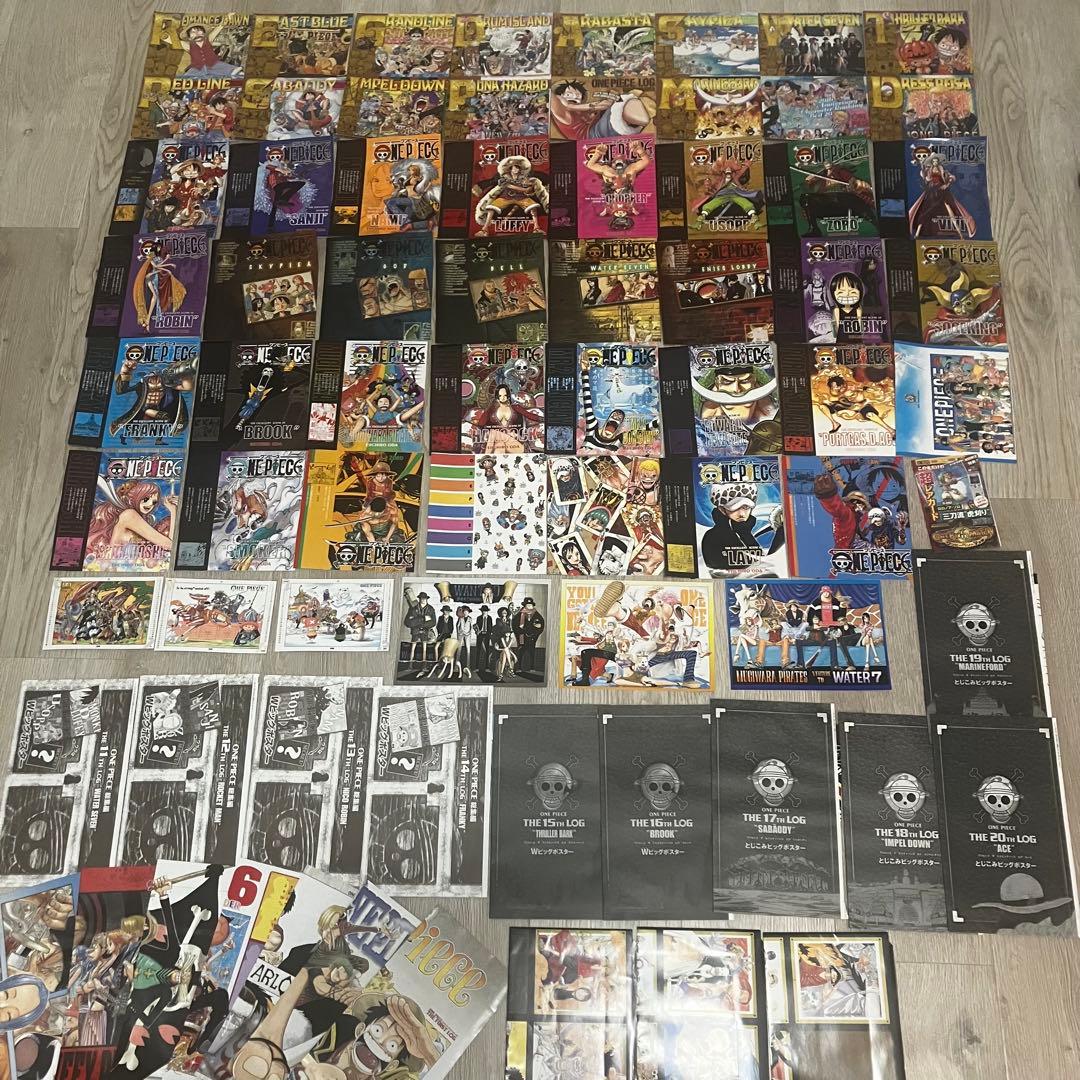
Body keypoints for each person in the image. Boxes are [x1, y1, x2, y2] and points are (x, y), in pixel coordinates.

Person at [513, 596, 545, 676]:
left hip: (532, 638)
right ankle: (519, 667)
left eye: (531, 605)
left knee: (532, 652)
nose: (529, 606)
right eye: (528, 605)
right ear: (525, 605)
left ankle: (532, 667)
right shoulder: (520, 614)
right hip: (522, 637)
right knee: (521, 652)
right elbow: (514, 625)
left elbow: (541, 625)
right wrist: (520, 632)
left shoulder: (536, 614)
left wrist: (535, 634)